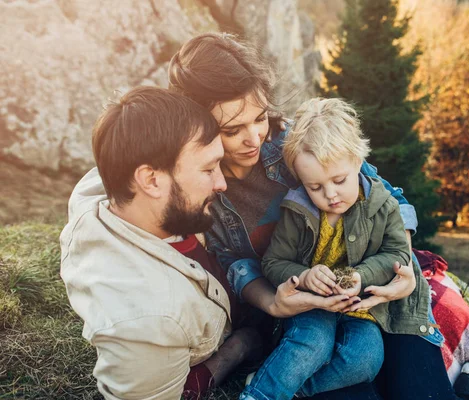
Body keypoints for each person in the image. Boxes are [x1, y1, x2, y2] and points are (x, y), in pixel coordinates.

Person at [168, 32, 461, 400]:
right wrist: (272, 303)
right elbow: (235, 262)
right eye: (232, 130)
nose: (254, 138)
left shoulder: (298, 142)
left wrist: (402, 269)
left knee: (422, 391)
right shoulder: (202, 184)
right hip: (305, 314)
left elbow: (387, 197)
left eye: (259, 117)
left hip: (381, 292)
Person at [60, 87, 306, 399]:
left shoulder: (117, 183)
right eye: (207, 169)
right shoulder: (145, 320)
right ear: (151, 180)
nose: (222, 183)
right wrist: (238, 348)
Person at [239, 97, 433, 400]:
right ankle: (260, 395)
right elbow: (274, 262)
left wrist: (362, 276)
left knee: (366, 360)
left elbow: (397, 254)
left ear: (358, 162)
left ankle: (291, 389)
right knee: (312, 344)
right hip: (313, 306)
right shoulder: (296, 210)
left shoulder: (383, 205)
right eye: (314, 187)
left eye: (339, 180)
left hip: (361, 309)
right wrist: (304, 276)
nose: (330, 195)